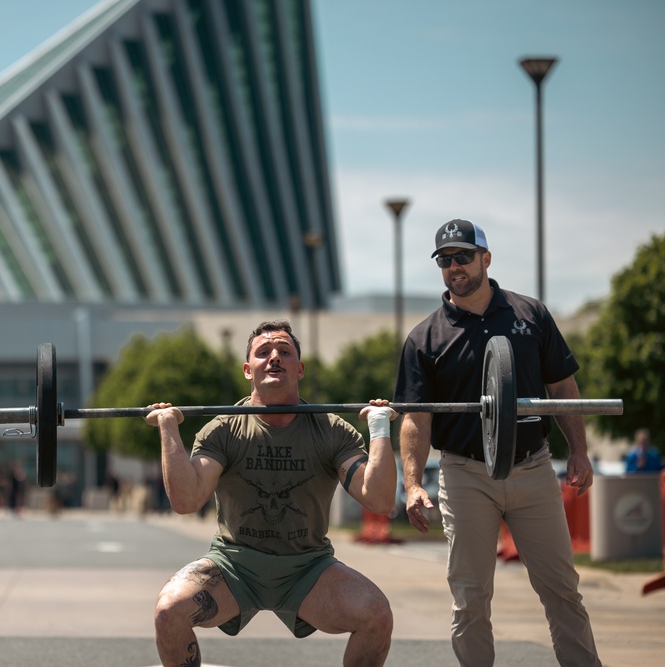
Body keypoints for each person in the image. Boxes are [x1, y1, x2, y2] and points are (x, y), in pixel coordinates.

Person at [394, 219, 601, 666]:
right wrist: (412, 484)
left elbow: (563, 387)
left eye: (463, 257)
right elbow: (415, 418)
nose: (455, 267)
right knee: (470, 598)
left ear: (485, 259)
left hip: (532, 468)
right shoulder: (424, 338)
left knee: (562, 589)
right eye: (445, 260)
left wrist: (579, 451)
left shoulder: (531, 315)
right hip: (465, 473)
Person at [145, 320, 398, 667]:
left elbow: (380, 500)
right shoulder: (223, 429)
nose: (274, 357)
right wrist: (168, 428)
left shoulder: (331, 431)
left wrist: (379, 426)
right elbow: (186, 501)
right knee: (168, 612)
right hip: (234, 566)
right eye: (263, 353)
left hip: (307, 568)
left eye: (284, 351)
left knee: (377, 616)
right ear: (248, 370)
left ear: (300, 369)